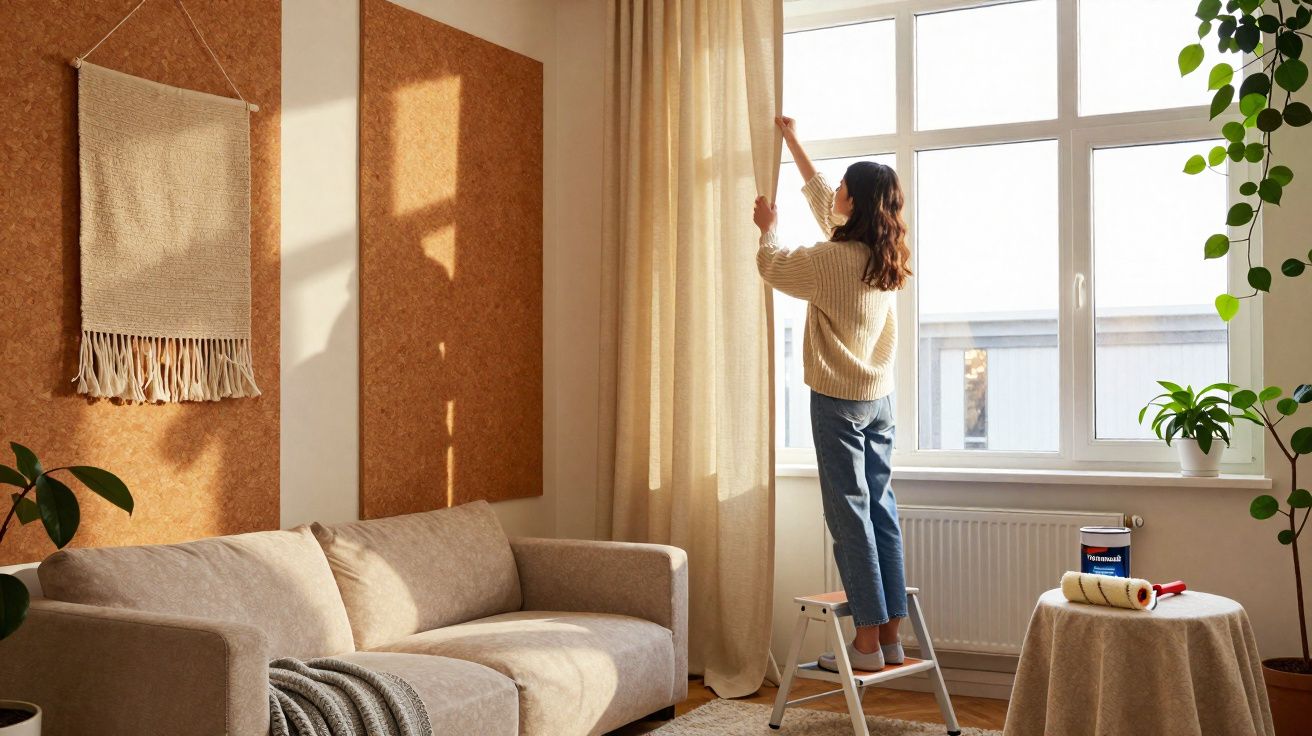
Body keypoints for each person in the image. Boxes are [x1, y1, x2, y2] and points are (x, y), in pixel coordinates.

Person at [753, 116, 913, 672]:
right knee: (881, 510)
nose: (835, 190)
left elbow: (771, 265)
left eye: (844, 185)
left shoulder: (827, 262)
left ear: (858, 200)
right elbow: (825, 203)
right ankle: (891, 635)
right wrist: (793, 142)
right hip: (878, 400)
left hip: (839, 402)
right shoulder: (882, 255)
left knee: (849, 516)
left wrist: (766, 227)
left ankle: (865, 645)